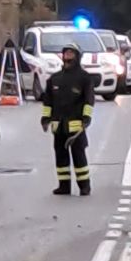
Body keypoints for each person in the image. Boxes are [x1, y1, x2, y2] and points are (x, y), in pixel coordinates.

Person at [41, 39, 94, 197]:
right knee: (60, 157)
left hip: (76, 126)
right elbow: (48, 101)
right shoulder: (54, 79)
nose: (68, 56)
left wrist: (86, 118)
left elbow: (89, 99)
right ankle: (64, 186)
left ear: (77, 56)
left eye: (71, 53)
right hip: (59, 126)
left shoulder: (84, 78)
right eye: (66, 53)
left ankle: (84, 186)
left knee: (79, 158)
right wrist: (45, 119)